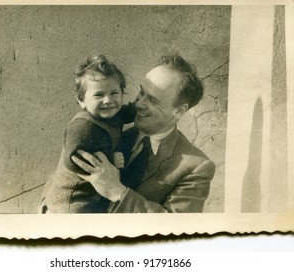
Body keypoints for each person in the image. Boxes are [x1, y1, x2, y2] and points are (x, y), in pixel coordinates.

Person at [71, 54, 216, 213]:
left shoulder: (195, 167)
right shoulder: (113, 133)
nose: (139, 104)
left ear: (179, 111)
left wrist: (117, 192)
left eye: (153, 100)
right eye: (141, 93)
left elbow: (175, 228)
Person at [39, 55, 136, 213]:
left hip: (92, 194)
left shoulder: (112, 113)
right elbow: (73, 158)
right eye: (99, 95)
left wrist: (143, 105)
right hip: (71, 201)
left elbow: (128, 112)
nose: (108, 100)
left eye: (114, 93)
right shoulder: (83, 127)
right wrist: (109, 159)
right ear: (81, 100)